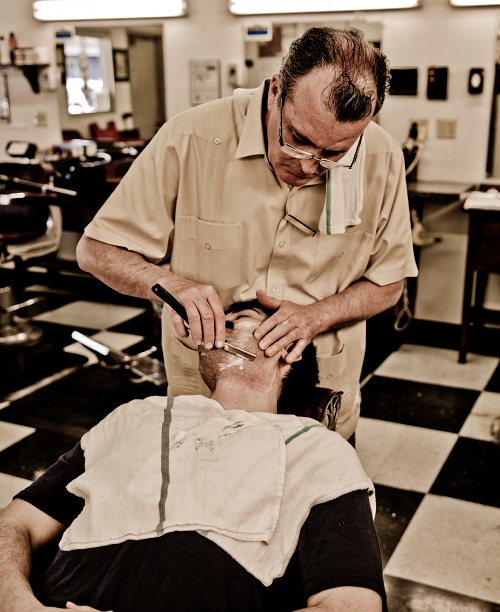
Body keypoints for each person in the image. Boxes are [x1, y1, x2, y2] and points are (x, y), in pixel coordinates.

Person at [0, 300, 386, 612]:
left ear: (288, 350)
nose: (218, 325)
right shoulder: (136, 416)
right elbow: (13, 524)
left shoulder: (318, 451)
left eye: (238, 322)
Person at [75, 26, 418, 441]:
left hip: (322, 389)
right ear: (276, 91)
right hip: (201, 400)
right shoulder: (190, 139)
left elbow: (389, 282)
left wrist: (317, 316)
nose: (310, 166)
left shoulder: (381, 156)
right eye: (299, 140)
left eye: (334, 153)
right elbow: (96, 250)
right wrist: (169, 284)